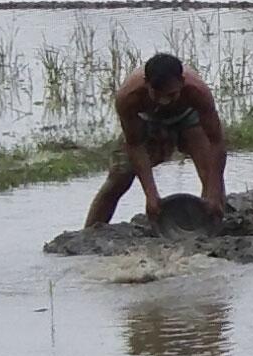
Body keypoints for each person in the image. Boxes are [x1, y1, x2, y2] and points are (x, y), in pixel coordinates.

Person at [85, 51, 227, 229]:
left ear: (182, 83)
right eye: (157, 95)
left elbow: (216, 141)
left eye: (171, 95)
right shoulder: (128, 97)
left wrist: (214, 191)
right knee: (118, 177)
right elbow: (135, 144)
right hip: (147, 120)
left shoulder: (198, 92)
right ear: (146, 84)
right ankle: (88, 233)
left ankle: (209, 230)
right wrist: (150, 194)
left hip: (189, 117)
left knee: (212, 177)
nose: (164, 101)